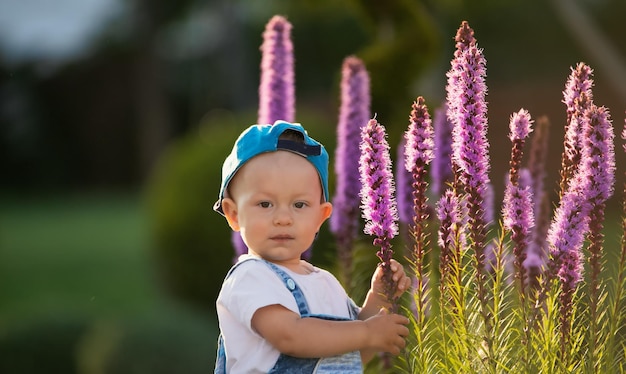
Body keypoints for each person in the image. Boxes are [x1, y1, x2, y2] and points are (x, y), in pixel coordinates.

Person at [213, 120, 411, 373]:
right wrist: (366, 331)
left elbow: (351, 354)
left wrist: (378, 299)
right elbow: (291, 336)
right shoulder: (249, 278)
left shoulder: (325, 282)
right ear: (233, 214)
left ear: (321, 216)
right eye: (265, 204)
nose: (283, 218)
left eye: (299, 205)